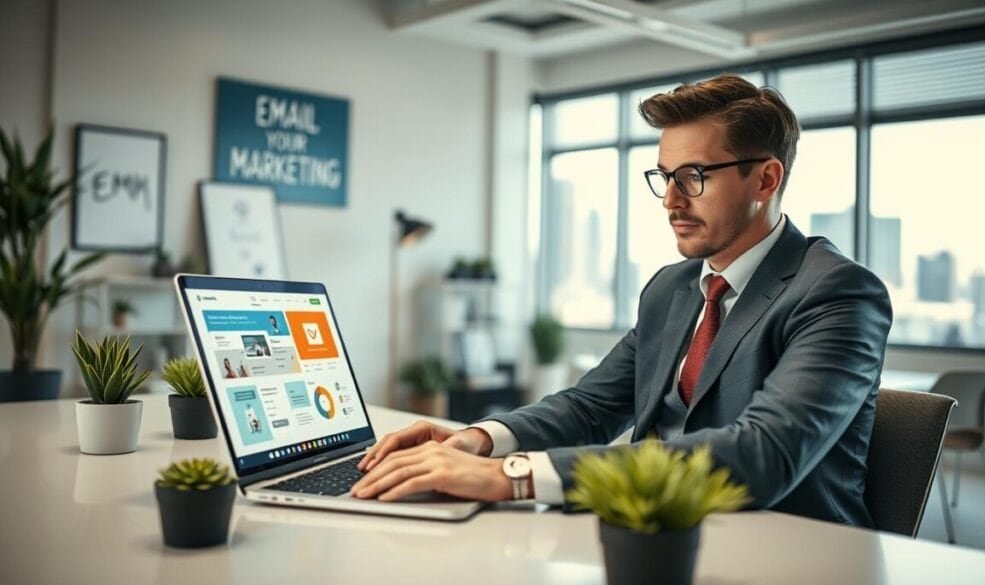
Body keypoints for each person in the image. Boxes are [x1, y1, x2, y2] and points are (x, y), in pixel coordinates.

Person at [352, 74, 892, 528]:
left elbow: (764, 456)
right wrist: (480, 441)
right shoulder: (672, 288)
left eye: (695, 177)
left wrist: (511, 476)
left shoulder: (838, 292)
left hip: (788, 553)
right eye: (665, 176)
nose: (672, 200)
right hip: (649, 534)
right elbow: (592, 407)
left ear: (766, 179)